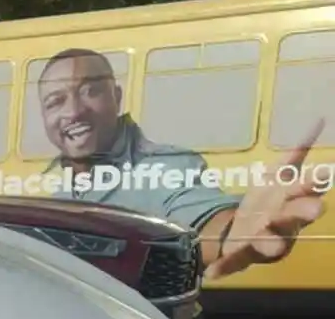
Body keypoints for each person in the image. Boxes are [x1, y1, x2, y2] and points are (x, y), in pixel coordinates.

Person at [35, 47, 328, 280]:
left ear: (117, 97)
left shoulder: (165, 168)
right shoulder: (60, 193)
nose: (73, 111)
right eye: (55, 101)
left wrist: (232, 233)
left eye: (91, 91)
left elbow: (199, 224)